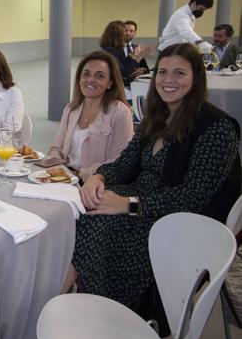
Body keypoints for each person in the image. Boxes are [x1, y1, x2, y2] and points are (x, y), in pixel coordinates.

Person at [62, 43, 240, 312]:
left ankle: (105, 312)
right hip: (140, 200)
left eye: (179, 73)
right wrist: (98, 178)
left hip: (177, 221)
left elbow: (193, 196)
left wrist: (128, 204)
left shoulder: (216, 127)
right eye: (162, 72)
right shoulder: (157, 119)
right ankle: (74, 307)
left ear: (196, 78)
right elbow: (124, 164)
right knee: (78, 213)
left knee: (98, 226)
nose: (168, 80)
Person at [48, 51, 134, 180]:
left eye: (100, 76)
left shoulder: (120, 112)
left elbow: (119, 161)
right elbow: (56, 148)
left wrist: (80, 174)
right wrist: (57, 169)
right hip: (65, 179)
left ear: (110, 83)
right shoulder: (71, 109)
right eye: (86, 74)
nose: (91, 80)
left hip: (98, 184)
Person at [100, 20, 149, 87]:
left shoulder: (115, 50)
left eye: (131, 31)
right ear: (117, 36)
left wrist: (140, 70)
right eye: (124, 32)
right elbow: (122, 73)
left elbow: (124, 66)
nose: (126, 35)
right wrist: (131, 74)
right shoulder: (111, 52)